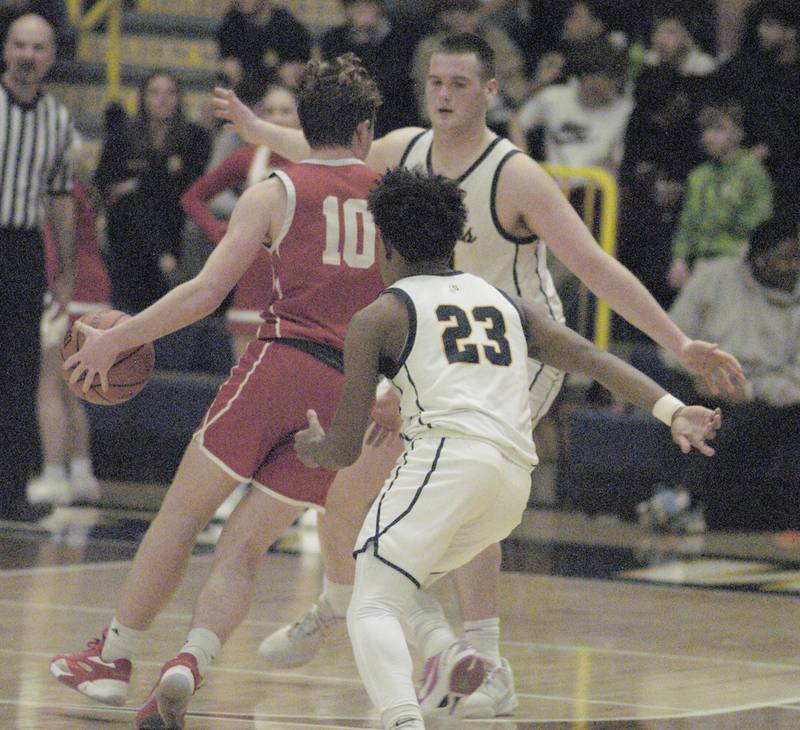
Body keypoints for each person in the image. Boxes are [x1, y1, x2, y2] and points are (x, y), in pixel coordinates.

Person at [213, 32, 743, 718]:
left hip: (519, 349)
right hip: (432, 341)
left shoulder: (515, 174)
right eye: (436, 81)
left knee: (466, 485)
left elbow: (593, 267)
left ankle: (482, 658)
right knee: (349, 494)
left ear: (490, 92)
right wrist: (256, 128)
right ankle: (345, 602)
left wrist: (676, 341)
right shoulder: (401, 148)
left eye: (460, 84)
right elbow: (324, 154)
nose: (444, 94)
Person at [293, 167, 722, 730]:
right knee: (399, 578)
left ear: (385, 242)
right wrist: (672, 409)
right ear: (455, 238)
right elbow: (592, 359)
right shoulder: (502, 302)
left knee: (370, 598)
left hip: (446, 458)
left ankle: (403, 720)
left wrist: (314, 448)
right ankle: (446, 662)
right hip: (511, 481)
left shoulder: (379, 317)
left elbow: (347, 450)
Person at [49, 54, 385, 729]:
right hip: (350, 386)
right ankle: (190, 663)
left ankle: (116, 659)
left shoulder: (277, 190)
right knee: (245, 547)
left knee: (181, 518)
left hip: (281, 364)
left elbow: (205, 293)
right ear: (364, 130)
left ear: (305, 122)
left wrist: (121, 338)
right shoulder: (392, 193)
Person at [662, 214, 800, 530]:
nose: (794, 266)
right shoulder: (713, 278)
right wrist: (700, 372)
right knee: (674, 400)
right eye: (786, 257)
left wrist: (749, 390)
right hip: (703, 380)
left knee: (745, 421)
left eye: (798, 257)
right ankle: (674, 496)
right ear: (758, 258)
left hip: (770, 396)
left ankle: (685, 502)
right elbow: (672, 338)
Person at [0, 13, 75, 522]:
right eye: (20, 45)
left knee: (19, 375)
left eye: (38, 47)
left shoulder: (58, 120)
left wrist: (65, 270)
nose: (28, 55)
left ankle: (9, 491)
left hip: (23, 250)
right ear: (6, 49)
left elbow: (61, 198)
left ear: (51, 56)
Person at [94, 70, 211, 314]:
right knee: (134, 207)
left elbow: (189, 185)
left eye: (170, 93)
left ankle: (162, 261)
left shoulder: (195, 137)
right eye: (155, 92)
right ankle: (161, 258)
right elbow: (104, 180)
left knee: (144, 203)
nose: (163, 99)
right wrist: (159, 176)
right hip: (129, 227)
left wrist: (137, 182)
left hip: (174, 218)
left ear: (179, 98)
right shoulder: (122, 135)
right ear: (143, 97)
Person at [27, 172, 110, 506]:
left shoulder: (55, 186)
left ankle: (53, 473)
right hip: (93, 287)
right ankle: (80, 472)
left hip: (67, 290)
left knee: (48, 386)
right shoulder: (75, 183)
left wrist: (50, 287)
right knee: (68, 388)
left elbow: (54, 244)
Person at [668, 103, 773, 290]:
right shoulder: (698, 176)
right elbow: (687, 223)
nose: (708, 138)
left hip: (739, 262)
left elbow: (762, 220)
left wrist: (728, 216)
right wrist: (680, 259)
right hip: (702, 263)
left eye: (718, 130)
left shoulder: (752, 171)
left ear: (738, 133)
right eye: (706, 130)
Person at [320, 0, 421, 134]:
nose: (362, 10)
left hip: (396, 120)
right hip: (349, 123)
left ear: (380, 7)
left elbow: (391, 83)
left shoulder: (405, 36)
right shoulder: (333, 39)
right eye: (355, 5)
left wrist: (367, 42)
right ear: (347, 10)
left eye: (368, 4)